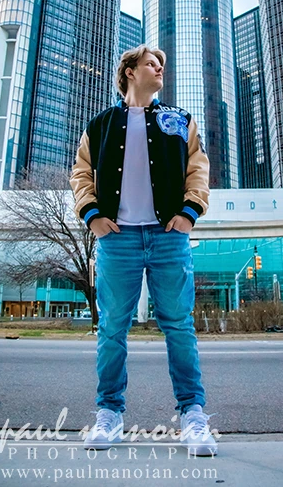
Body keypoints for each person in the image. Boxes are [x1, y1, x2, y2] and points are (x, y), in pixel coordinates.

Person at [70, 44, 217, 456]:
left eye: (162, 65)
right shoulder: (100, 124)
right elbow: (81, 172)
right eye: (152, 63)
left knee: (179, 326)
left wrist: (190, 212)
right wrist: (92, 214)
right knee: (112, 328)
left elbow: (198, 168)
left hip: (168, 235)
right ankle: (109, 414)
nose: (159, 69)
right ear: (130, 71)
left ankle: (193, 416)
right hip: (118, 239)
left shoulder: (178, 119)